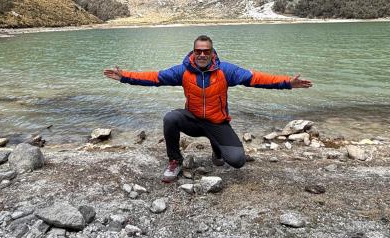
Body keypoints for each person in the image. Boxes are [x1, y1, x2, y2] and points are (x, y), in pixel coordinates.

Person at [103, 35, 312, 183]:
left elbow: (256, 78)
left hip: (217, 122)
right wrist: (125, 77)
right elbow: (154, 77)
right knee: (170, 118)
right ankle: (175, 160)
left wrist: (287, 83)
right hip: (192, 120)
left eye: (206, 51)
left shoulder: (226, 71)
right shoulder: (183, 71)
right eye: (198, 51)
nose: (202, 54)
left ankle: (217, 149)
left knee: (237, 162)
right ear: (193, 52)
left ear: (212, 53)